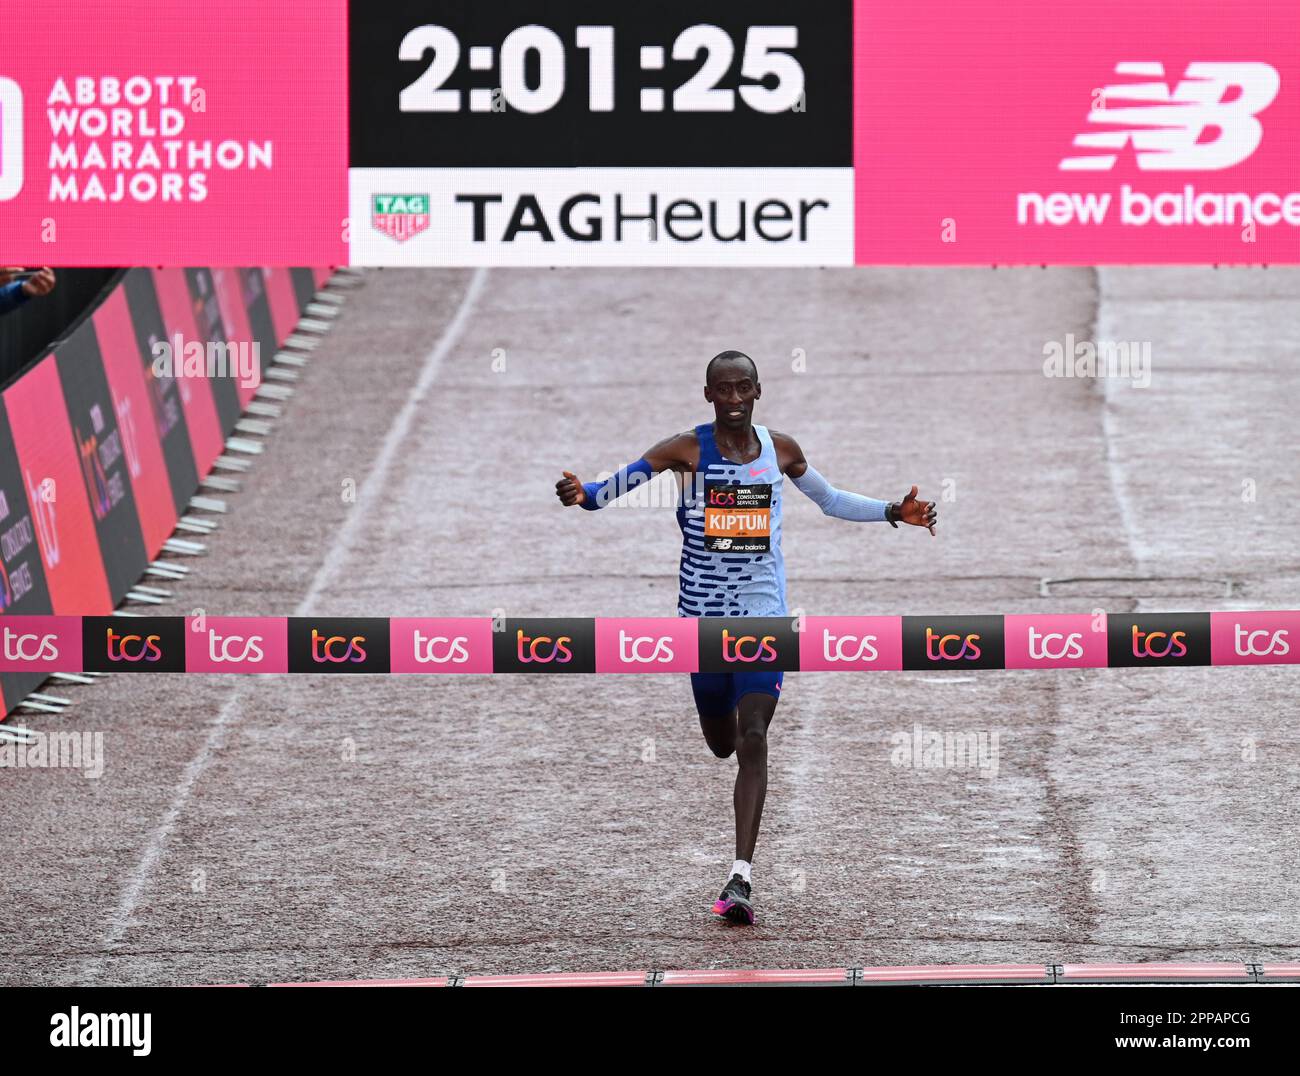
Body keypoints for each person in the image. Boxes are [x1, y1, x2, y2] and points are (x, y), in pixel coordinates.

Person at [556, 349, 936, 924]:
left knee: (754, 734)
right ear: (707, 394)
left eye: (743, 389)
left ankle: (740, 878)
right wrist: (580, 494)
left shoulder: (781, 449)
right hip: (701, 624)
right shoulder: (683, 450)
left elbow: (830, 501)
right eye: (723, 390)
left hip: (763, 619)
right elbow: (604, 492)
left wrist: (892, 511)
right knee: (723, 742)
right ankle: (728, 721)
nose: (733, 399)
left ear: (759, 390)